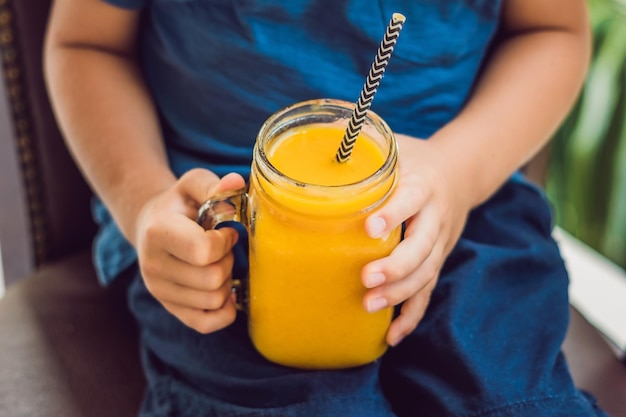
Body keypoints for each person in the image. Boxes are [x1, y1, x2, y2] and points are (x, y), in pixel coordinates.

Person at [44, 0, 605, 416]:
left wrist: (458, 174)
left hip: (461, 200)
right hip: (208, 214)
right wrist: (141, 201)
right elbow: (87, 43)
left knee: (518, 400)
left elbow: (552, 28)